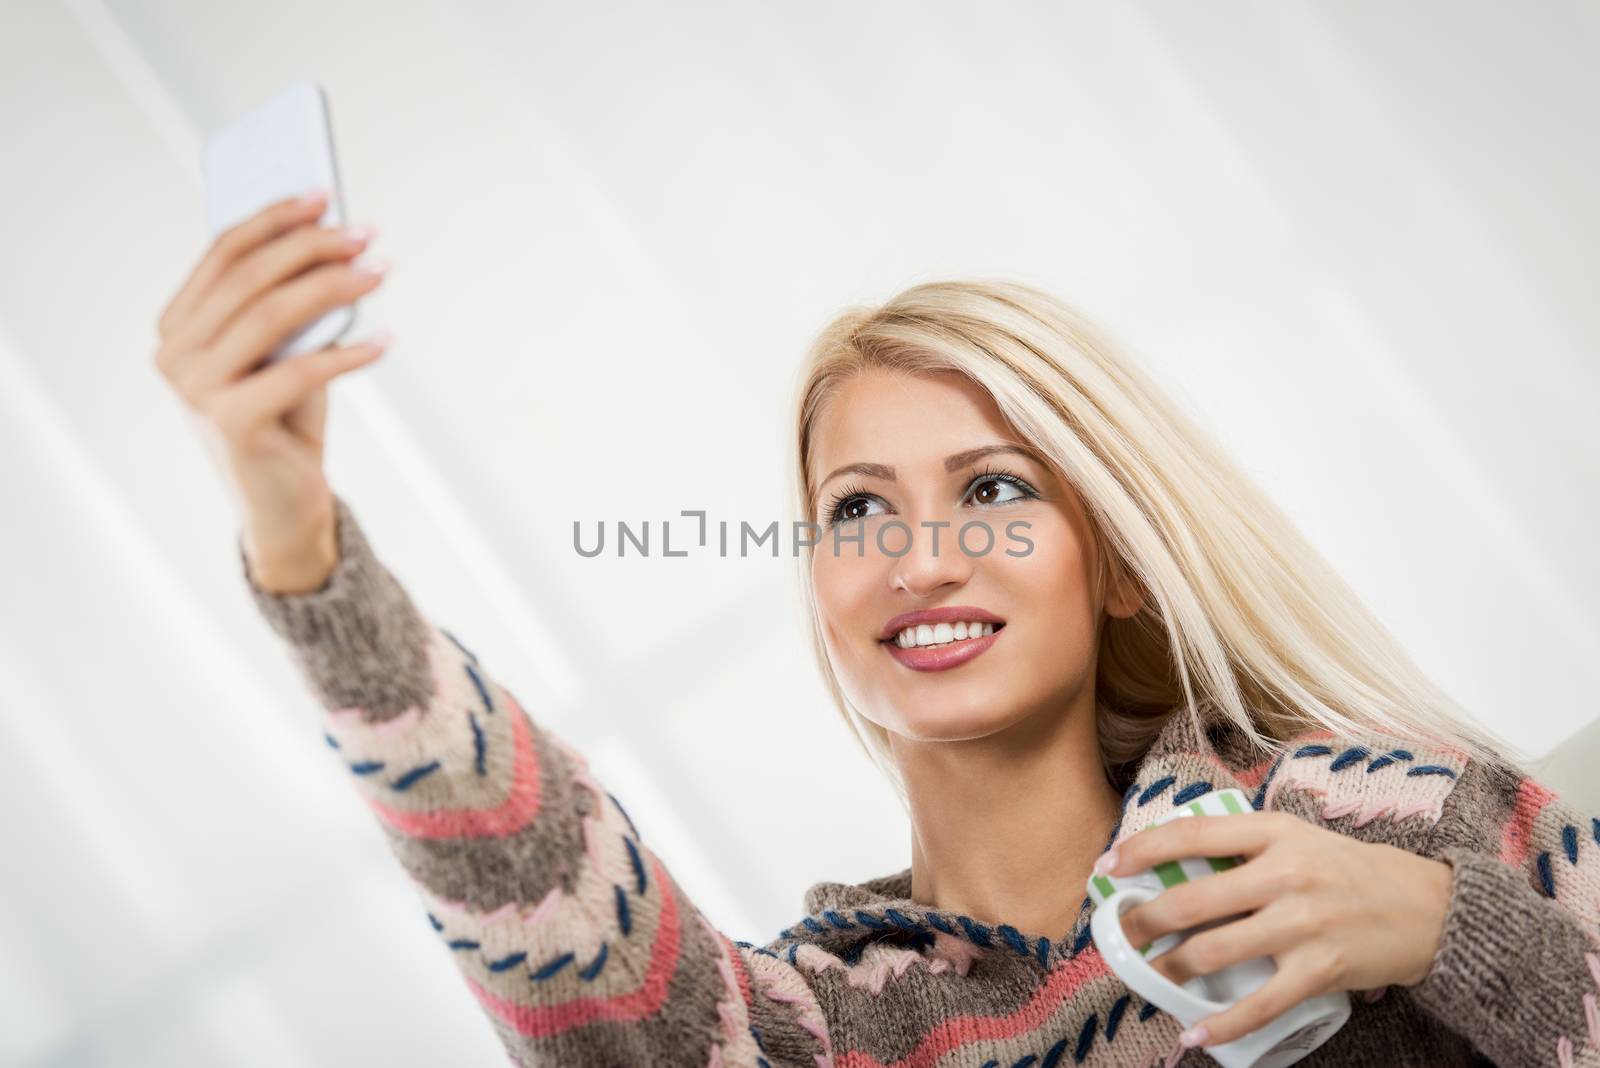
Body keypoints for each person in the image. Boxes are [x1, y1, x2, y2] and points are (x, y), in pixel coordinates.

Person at [155, 190, 1599, 1068]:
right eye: (857, 512)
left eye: (992, 489)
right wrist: (300, 537)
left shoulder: (1368, 812)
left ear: (1118, 564)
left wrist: (1441, 930)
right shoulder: (818, 1030)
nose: (917, 558)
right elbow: (560, 918)